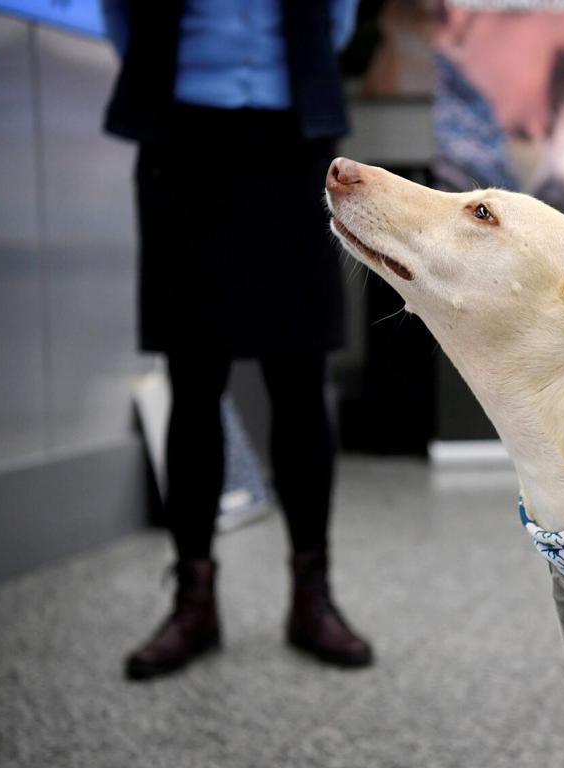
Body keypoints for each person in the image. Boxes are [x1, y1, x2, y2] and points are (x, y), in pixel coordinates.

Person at [102, 0, 373, 680]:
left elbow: (335, 17)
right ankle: (194, 600)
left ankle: (312, 597)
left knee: (301, 375)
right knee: (192, 378)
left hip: (293, 139)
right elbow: (124, 15)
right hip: (182, 136)